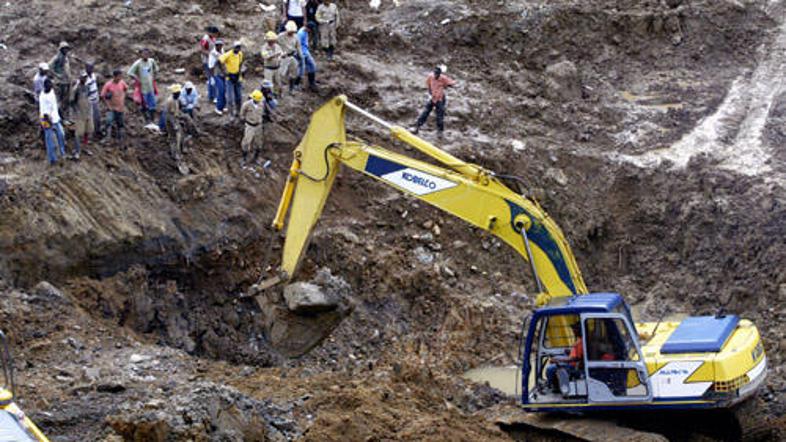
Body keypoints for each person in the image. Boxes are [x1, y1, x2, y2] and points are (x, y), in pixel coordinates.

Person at [413, 65, 456, 138]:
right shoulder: (430, 77)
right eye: (435, 74)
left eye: (437, 74)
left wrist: (449, 84)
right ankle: (417, 126)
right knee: (425, 112)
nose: (436, 75)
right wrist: (430, 93)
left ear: (439, 74)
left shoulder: (443, 78)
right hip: (432, 97)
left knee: (440, 115)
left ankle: (440, 131)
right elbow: (428, 85)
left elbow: (451, 83)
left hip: (440, 99)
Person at [127, 48, 160, 123]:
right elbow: (130, 73)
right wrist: (136, 78)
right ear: (141, 54)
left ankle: (152, 120)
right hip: (142, 88)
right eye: (144, 54)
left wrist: (154, 76)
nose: (146, 55)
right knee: (144, 105)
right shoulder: (138, 63)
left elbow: (156, 69)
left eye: (147, 54)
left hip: (150, 87)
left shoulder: (151, 61)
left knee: (152, 105)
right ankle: (145, 121)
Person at [39, 78, 66, 165]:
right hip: (47, 119)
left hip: (55, 117)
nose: (51, 87)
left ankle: (62, 153)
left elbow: (55, 105)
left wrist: (60, 116)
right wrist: (50, 124)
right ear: (45, 87)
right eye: (49, 86)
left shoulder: (51, 91)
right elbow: (44, 113)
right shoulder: (42, 97)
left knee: (61, 134)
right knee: (49, 139)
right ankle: (52, 159)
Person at [100, 69, 129, 148]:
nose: (120, 78)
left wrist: (123, 98)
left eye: (121, 76)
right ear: (114, 76)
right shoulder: (108, 84)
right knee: (108, 122)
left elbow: (126, 89)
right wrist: (108, 104)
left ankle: (121, 141)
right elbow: (102, 95)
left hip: (120, 108)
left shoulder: (122, 83)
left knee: (120, 124)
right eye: (118, 76)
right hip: (112, 108)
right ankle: (107, 138)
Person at [69, 71, 94, 160]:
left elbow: (89, 97)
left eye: (86, 77)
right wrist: (76, 111)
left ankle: (85, 148)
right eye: (83, 77)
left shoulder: (87, 87)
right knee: (78, 133)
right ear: (80, 78)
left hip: (87, 112)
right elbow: (71, 102)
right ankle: (77, 151)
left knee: (87, 131)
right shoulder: (76, 88)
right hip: (79, 114)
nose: (85, 79)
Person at [163, 84, 187, 169]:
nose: (179, 94)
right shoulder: (170, 101)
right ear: (174, 93)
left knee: (181, 135)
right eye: (177, 93)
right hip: (170, 120)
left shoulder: (176, 99)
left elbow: (177, 111)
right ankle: (175, 154)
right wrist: (175, 125)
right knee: (174, 137)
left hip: (174, 118)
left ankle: (180, 150)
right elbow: (170, 115)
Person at [239, 90, 265, 166]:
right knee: (246, 142)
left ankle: (256, 158)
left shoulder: (262, 104)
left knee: (259, 143)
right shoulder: (246, 105)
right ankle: (244, 158)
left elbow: (262, 113)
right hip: (250, 125)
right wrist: (245, 121)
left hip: (258, 125)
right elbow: (242, 114)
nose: (257, 102)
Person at [219, 41, 244, 117]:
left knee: (239, 97)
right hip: (229, 78)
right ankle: (231, 114)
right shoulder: (228, 54)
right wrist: (225, 72)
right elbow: (220, 60)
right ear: (233, 47)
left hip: (237, 77)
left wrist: (239, 72)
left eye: (239, 47)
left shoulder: (240, 54)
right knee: (230, 98)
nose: (238, 49)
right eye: (236, 47)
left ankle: (238, 112)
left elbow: (240, 63)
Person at [48, 41, 72, 118]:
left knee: (65, 100)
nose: (66, 50)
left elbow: (67, 69)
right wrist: (56, 75)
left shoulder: (65, 58)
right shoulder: (57, 57)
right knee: (59, 100)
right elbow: (49, 66)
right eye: (64, 49)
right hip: (59, 82)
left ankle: (63, 115)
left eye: (67, 49)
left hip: (65, 81)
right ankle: (58, 115)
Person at [278, 21, 302, 94]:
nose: (291, 33)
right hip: (283, 57)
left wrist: (300, 56)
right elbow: (276, 47)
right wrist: (280, 54)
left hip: (292, 56)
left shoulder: (296, 36)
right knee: (281, 74)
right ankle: (279, 91)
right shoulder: (280, 36)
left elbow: (298, 47)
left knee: (294, 73)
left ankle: (291, 90)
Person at [200, 26, 220, 102]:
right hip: (207, 61)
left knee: (213, 78)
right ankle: (212, 96)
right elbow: (202, 50)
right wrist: (211, 54)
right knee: (211, 79)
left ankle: (213, 95)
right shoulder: (205, 39)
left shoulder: (213, 38)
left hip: (212, 60)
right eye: (216, 34)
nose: (216, 36)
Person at [260, 32, 284, 96]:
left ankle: (277, 94)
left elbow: (281, 53)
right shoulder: (264, 47)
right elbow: (266, 57)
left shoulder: (277, 46)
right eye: (271, 41)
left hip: (277, 67)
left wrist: (281, 56)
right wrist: (274, 55)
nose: (272, 42)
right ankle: (270, 96)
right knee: (269, 84)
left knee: (278, 82)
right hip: (268, 68)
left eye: (273, 40)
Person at [297, 23, 318, 92]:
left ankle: (311, 83)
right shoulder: (300, 34)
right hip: (301, 53)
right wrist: (300, 54)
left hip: (306, 51)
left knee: (312, 66)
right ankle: (296, 85)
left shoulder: (305, 32)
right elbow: (297, 45)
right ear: (308, 28)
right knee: (301, 70)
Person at [84, 63, 102, 138]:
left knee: (97, 117)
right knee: (90, 118)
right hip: (89, 101)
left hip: (95, 99)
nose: (90, 70)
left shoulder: (93, 75)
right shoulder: (85, 78)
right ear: (86, 68)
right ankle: (90, 134)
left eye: (91, 68)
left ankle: (97, 131)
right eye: (89, 68)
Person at [209, 39, 226, 115]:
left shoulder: (222, 50)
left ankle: (223, 106)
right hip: (216, 74)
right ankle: (218, 107)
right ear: (216, 46)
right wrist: (212, 77)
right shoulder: (212, 54)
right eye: (218, 45)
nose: (220, 47)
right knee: (221, 90)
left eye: (221, 45)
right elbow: (211, 67)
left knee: (225, 90)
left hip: (223, 73)